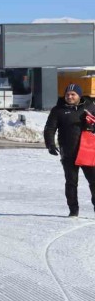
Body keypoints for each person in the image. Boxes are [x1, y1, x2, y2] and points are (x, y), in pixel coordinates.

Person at [44, 83, 95, 217]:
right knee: (71, 182)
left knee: (94, 181)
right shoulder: (58, 110)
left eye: (73, 94)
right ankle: (73, 210)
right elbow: (50, 128)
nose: (70, 97)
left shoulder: (90, 107)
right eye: (67, 94)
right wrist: (50, 144)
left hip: (87, 151)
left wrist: (91, 125)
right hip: (68, 152)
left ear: (79, 95)